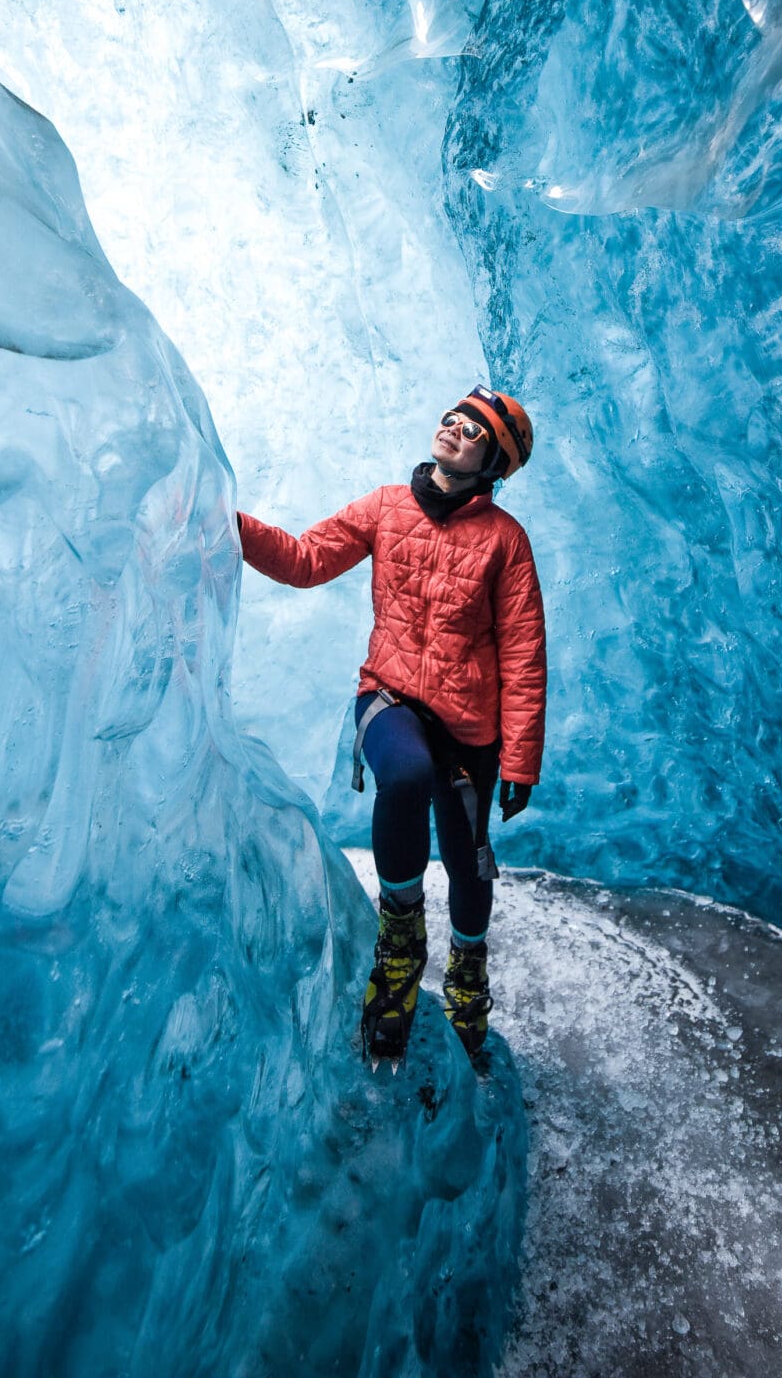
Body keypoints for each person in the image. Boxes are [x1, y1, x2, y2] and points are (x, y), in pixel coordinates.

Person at [237, 386, 546, 1066]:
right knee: (402, 776)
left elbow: (522, 654)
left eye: (475, 431)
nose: (456, 430)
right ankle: (400, 940)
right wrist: (224, 524)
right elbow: (302, 558)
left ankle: (467, 968)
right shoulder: (385, 506)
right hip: (390, 696)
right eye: (454, 419)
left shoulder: (505, 542)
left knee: (469, 863)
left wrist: (520, 761)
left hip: (469, 725)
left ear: (494, 462)